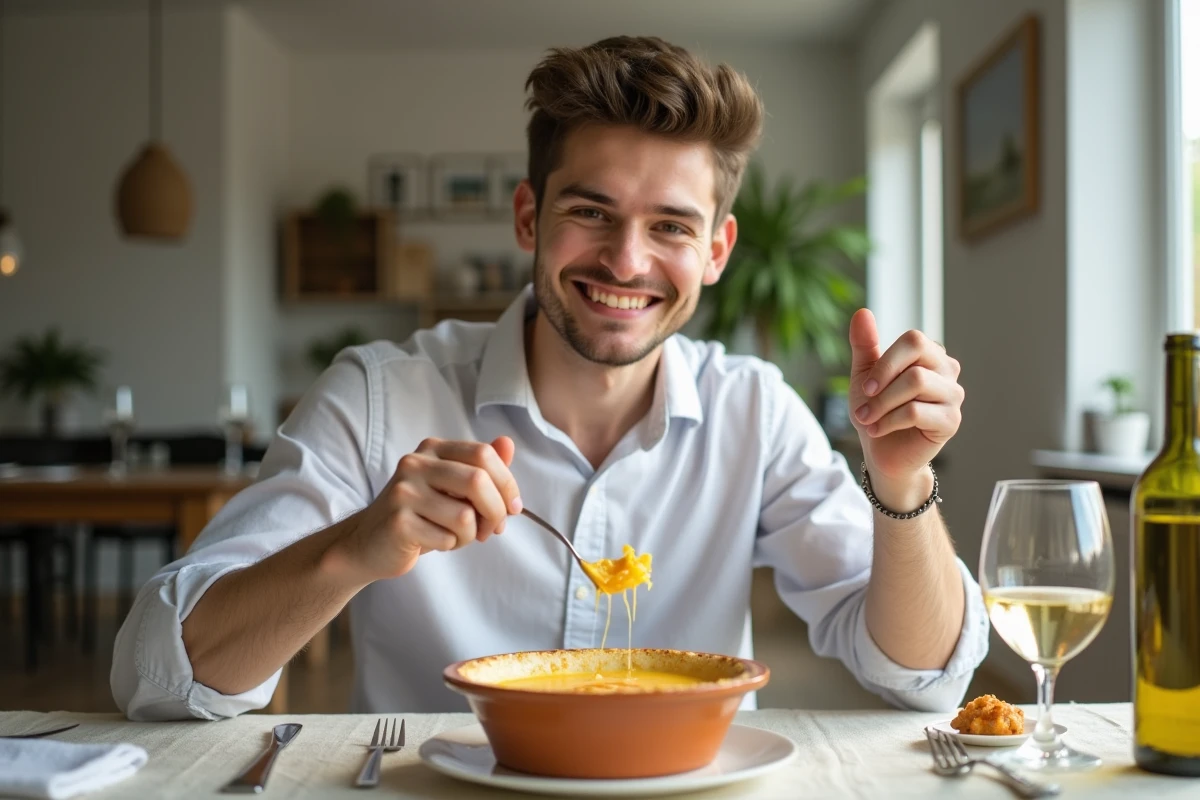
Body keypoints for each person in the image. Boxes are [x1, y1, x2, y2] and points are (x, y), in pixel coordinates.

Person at [112, 35, 986, 721]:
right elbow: (157, 674)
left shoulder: (753, 409)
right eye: (590, 211)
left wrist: (903, 481)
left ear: (715, 251)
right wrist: (353, 550)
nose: (626, 260)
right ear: (530, 216)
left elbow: (921, 676)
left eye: (672, 228)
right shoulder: (380, 395)